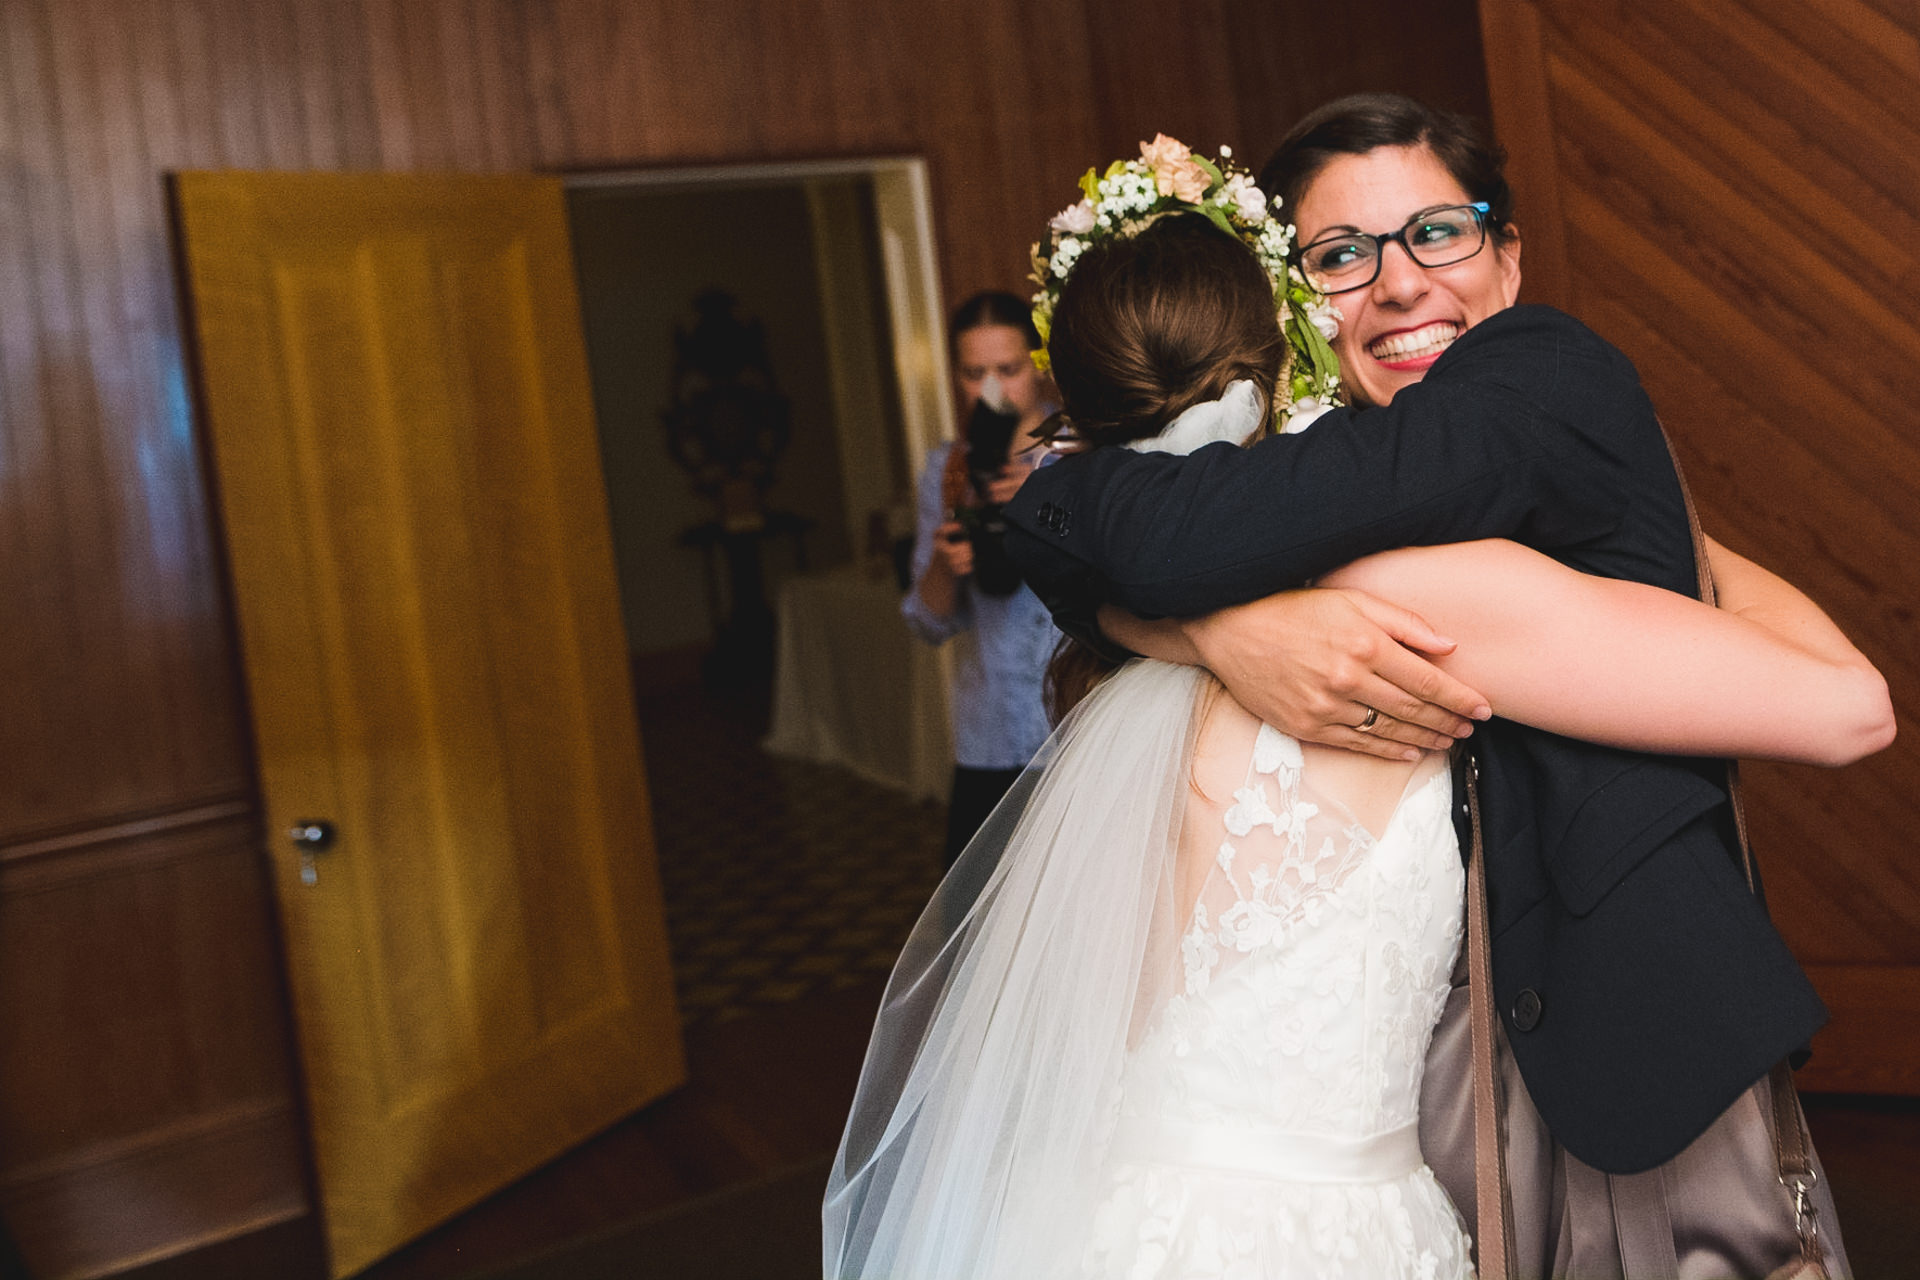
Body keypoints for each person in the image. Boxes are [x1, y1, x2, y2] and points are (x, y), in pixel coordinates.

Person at [823, 147, 1892, 1278]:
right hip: (1373, 1193)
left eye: (1438, 231)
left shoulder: (1109, 656)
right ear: (1293, 339)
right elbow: (1847, 706)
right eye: (1341, 255)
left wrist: (1183, 624)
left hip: (1136, 1204)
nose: (1397, 283)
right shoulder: (1406, 584)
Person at [903, 292, 1061, 867]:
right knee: (973, 929)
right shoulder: (946, 470)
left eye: (1008, 369)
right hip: (990, 736)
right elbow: (926, 621)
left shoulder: (1080, 452)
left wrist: (1043, 502)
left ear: (1039, 365)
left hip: (1076, 729)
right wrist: (947, 565)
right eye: (974, 373)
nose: (991, 388)